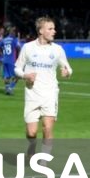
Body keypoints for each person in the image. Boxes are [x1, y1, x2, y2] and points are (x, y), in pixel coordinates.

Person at [14, 16, 72, 160]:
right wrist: (25, 76)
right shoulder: (28, 48)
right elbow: (17, 68)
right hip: (32, 94)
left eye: (54, 28)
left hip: (50, 94)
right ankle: (32, 145)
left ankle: (44, 162)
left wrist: (67, 72)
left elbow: (68, 67)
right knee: (31, 133)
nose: (54, 31)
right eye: (50, 29)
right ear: (41, 31)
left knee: (47, 127)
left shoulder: (58, 50)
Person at [0, 26, 21, 95]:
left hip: (4, 60)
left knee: (7, 76)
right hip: (11, 61)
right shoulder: (14, 39)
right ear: (14, 33)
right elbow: (19, 48)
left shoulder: (5, 39)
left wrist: (1, 54)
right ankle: (10, 88)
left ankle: (7, 89)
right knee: (18, 75)